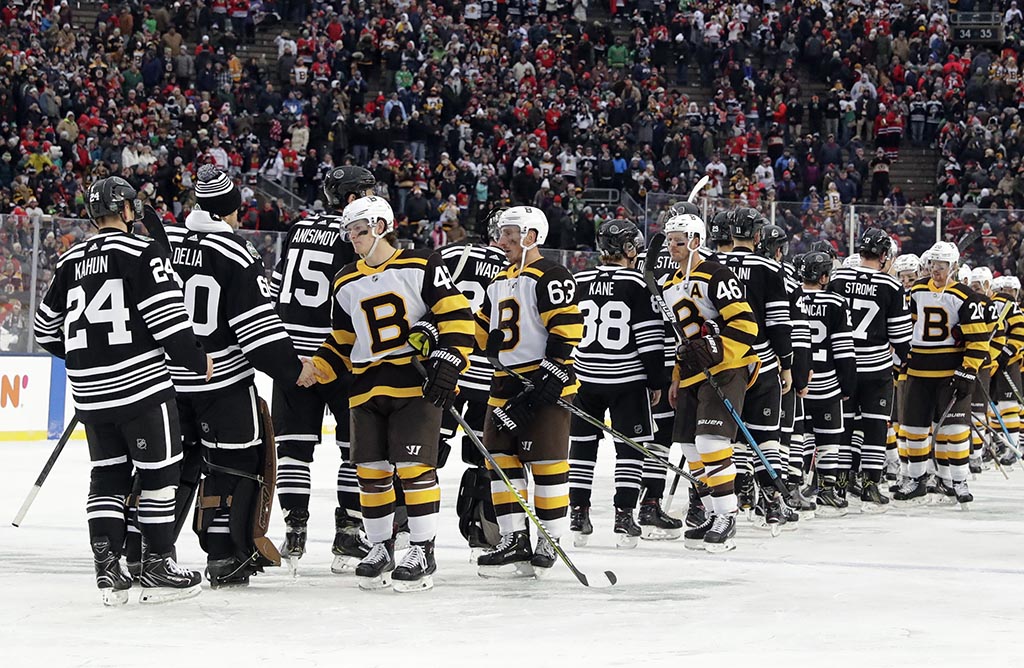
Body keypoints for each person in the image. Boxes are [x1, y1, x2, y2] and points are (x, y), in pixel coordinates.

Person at [34, 176, 211, 605]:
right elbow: (169, 322)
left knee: (108, 477)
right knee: (161, 475)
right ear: (128, 210)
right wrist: (196, 359)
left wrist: (87, 359)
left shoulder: (70, 259)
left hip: (90, 394)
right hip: (141, 389)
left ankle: (108, 571)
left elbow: (44, 329)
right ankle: (155, 564)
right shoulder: (141, 251)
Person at [300, 195, 473, 592]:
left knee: (415, 470)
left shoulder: (422, 263)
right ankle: (380, 546)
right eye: (349, 232)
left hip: (414, 384)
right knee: (371, 473)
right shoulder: (345, 278)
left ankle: (422, 548)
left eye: (358, 231)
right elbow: (343, 337)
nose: (352, 238)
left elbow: (456, 315)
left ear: (379, 226)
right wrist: (316, 368)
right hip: (365, 385)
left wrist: (450, 362)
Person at [165, 165, 305, 588]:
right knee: (235, 464)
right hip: (222, 383)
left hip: (165, 382)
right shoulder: (237, 252)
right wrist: (295, 370)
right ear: (233, 209)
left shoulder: (165, 243)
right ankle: (225, 556)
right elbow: (259, 333)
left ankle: (145, 550)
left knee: (165, 467)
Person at [269, 166, 377, 573]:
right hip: (340, 353)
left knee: (294, 449)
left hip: (292, 354)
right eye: (365, 192)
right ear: (352, 196)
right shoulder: (357, 233)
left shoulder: (300, 227)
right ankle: (348, 531)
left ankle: (294, 531)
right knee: (355, 447)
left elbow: (276, 285)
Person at [473, 205, 584, 577]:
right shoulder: (498, 281)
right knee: (500, 460)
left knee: (548, 464)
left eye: (508, 234)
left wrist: (550, 376)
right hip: (504, 383)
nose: (500, 241)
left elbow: (567, 329)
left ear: (531, 236)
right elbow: (478, 329)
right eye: (501, 234)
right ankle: (513, 537)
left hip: (545, 383)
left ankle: (550, 538)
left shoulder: (552, 273)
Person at [661, 210, 759, 553]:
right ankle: (711, 510)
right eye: (670, 240)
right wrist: (677, 375)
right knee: (689, 447)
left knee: (710, 442)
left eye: (679, 241)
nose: (673, 246)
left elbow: (746, 327)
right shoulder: (670, 284)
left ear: (697, 241)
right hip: (692, 373)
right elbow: (682, 336)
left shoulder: (717, 274)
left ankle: (727, 515)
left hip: (728, 367)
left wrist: (715, 351)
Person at [568, 220, 666, 548]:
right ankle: (624, 516)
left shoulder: (578, 279)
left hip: (584, 378)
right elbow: (650, 340)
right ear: (626, 249)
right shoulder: (639, 282)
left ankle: (578, 513)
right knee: (630, 449)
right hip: (627, 379)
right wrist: (656, 381)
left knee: (582, 446)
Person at [711, 207, 792, 529]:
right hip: (762, 361)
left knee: (728, 437)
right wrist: (787, 365)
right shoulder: (771, 269)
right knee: (766, 435)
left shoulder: (713, 266)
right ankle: (773, 502)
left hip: (725, 361)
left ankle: (736, 493)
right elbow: (778, 323)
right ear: (759, 236)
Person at [437, 206, 508, 554]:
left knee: (424, 453)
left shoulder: (447, 255)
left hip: (446, 369)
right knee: (485, 458)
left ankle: (403, 525)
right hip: (490, 375)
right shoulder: (512, 266)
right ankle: (485, 529)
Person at [894, 242, 989, 506]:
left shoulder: (966, 296)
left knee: (955, 430)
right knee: (913, 428)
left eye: (942, 266)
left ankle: (958, 480)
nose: (936, 271)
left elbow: (980, 340)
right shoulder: (916, 291)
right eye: (933, 266)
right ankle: (916, 479)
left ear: (954, 267)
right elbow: (903, 327)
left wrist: (968, 371)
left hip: (950, 373)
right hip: (918, 372)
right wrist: (904, 357)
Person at [827, 228, 912, 511]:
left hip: (842, 365)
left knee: (845, 425)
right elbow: (900, 336)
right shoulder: (892, 286)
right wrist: (904, 360)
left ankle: (839, 484)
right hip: (876, 368)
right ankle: (870, 485)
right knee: (876, 426)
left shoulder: (838, 277)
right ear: (884, 255)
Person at [794, 251, 857, 516]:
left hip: (799, 380)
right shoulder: (836, 302)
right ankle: (827, 489)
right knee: (829, 435)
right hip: (827, 381)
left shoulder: (792, 296)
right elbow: (843, 349)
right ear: (823, 276)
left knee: (799, 435)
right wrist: (848, 384)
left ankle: (795, 485)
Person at [990, 275, 1024, 466]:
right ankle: (998, 443)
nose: (1008, 294)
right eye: (1005, 289)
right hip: (990, 362)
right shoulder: (988, 303)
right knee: (990, 406)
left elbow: (1020, 331)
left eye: (1012, 290)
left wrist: (1007, 352)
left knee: (1008, 404)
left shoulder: (1010, 307)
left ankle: (1014, 445)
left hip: (1008, 363)